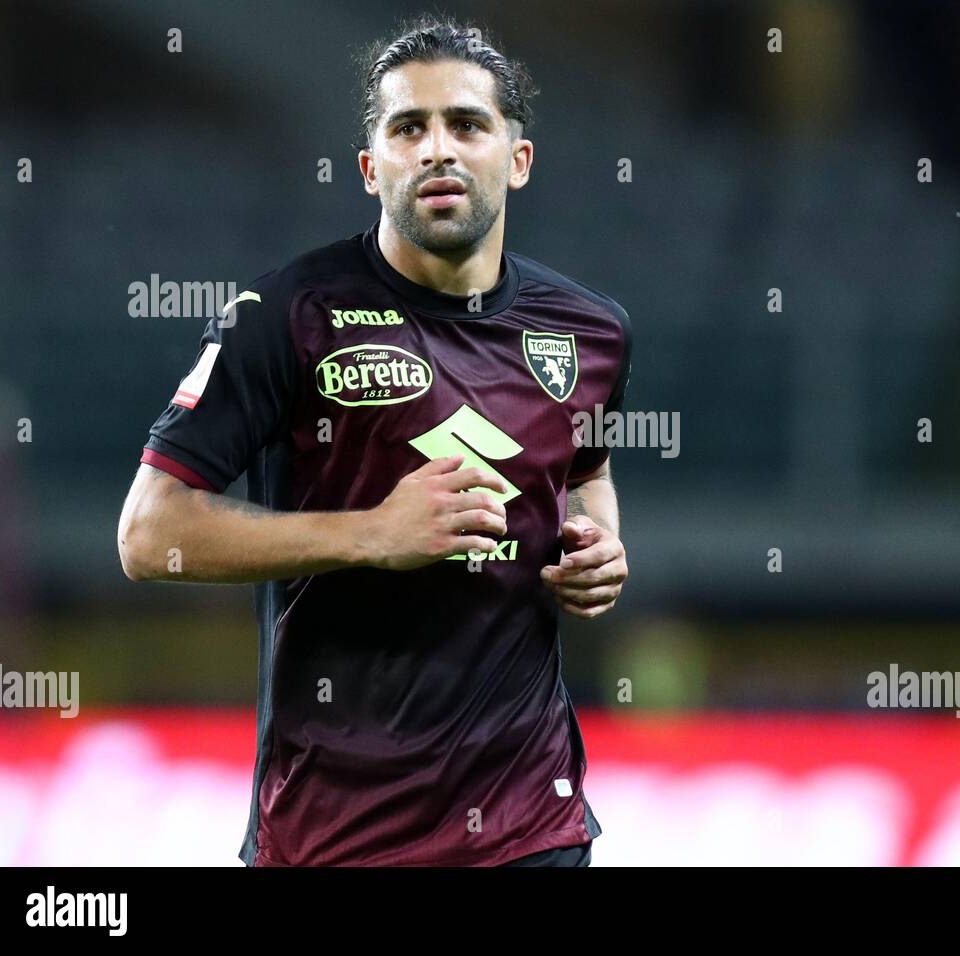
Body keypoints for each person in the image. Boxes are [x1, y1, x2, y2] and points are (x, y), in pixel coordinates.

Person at [116, 16, 632, 867]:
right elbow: (147, 535)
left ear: (517, 158)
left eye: (466, 125)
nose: (438, 149)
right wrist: (370, 535)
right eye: (408, 128)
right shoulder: (287, 314)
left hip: (530, 832)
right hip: (334, 834)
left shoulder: (592, 331)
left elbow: (587, 470)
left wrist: (599, 544)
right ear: (370, 167)